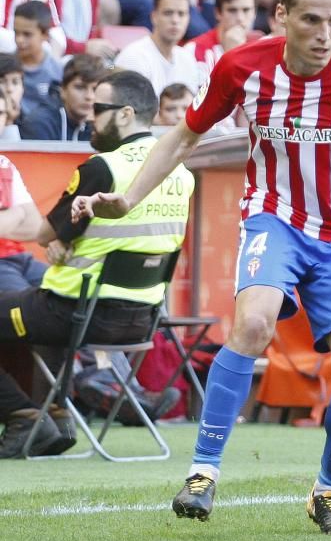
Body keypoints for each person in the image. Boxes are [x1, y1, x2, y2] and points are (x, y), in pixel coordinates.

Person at [73, 0, 331, 536]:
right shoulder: (242, 67)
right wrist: (127, 199)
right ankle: (203, 474)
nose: (325, 35)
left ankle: (328, 491)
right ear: (282, 15)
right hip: (272, 218)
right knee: (252, 325)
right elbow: (184, 135)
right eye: (311, 20)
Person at [0, 69, 195, 459]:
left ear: (124, 114)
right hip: (142, 319)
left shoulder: (104, 166)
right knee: (38, 314)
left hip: (75, 311)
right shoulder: (180, 174)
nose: (90, 116)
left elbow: (45, 233)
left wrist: (54, 241)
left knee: (35, 312)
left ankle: (23, 415)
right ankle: (54, 416)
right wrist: (59, 241)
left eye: (98, 108)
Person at [114, 0, 201, 97]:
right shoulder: (134, 56)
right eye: (168, 13)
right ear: (154, 17)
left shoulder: (187, 58)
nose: (175, 20)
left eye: (181, 14)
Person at [185, 0, 260, 85]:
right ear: (218, 13)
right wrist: (231, 56)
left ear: (255, 13)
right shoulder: (194, 50)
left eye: (246, 10)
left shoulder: (262, 48)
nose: (240, 18)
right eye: (232, 10)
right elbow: (202, 100)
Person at [20, 53, 106, 141]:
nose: (89, 96)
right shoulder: (39, 123)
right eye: (80, 87)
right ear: (63, 90)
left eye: (95, 89)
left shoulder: (102, 123)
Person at [13, 2, 64, 117]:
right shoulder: (5, 68)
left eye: (27, 34)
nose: (19, 40)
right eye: (16, 32)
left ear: (45, 34)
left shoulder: (58, 72)